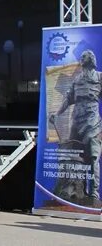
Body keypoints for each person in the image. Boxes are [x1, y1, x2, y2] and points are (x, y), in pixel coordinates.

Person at [51, 50, 102, 199]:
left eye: (85, 56)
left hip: (92, 123)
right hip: (76, 121)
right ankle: (69, 189)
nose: (82, 58)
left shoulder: (100, 77)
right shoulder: (77, 79)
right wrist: (57, 113)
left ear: (91, 59)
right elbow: (68, 99)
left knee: (93, 158)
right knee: (69, 154)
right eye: (82, 57)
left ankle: (93, 192)